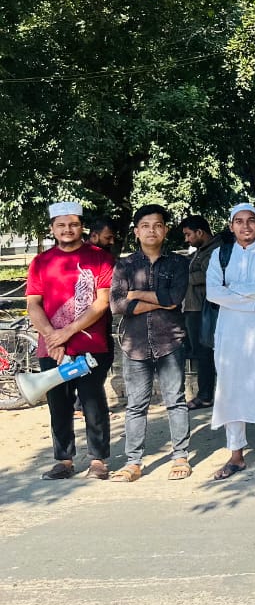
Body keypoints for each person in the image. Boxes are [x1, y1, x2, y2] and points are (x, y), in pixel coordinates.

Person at [25, 201, 115, 481]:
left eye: (73, 224)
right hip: (52, 348)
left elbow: (101, 302)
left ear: (81, 227)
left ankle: (98, 459)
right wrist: (52, 337)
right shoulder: (41, 262)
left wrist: (67, 332)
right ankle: (64, 460)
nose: (68, 229)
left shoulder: (100, 258)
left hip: (91, 345)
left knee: (93, 402)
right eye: (61, 225)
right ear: (52, 228)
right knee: (58, 404)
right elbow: (33, 304)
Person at [109, 204, 192, 482]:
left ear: (165, 230)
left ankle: (180, 456)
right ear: (136, 232)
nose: (151, 231)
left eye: (157, 225)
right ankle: (133, 461)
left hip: (170, 340)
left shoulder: (178, 263)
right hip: (134, 344)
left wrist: (135, 294)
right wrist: (158, 299)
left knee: (175, 400)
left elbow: (174, 299)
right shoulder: (125, 265)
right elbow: (117, 305)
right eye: (145, 226)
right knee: (135, 405)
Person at [206, 204, 255, 479]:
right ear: (231, 227)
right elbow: (213, 292)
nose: (245, 226)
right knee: (231, 389)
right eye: (239, 221)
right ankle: (236, 455)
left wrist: (233, 290)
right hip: (230, 332)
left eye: (251, 220)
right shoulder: (220, 254)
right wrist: (251, 298)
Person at [179, 215, 224, 410]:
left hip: (203, 308)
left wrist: (184, 276)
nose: (187, 239)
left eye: (188, 234)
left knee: (205, 353)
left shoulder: (215, 250)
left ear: (200, 232)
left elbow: (210, 275)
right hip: (194, 307)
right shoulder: (202, 250)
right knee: (200, 353)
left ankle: (206, 396)